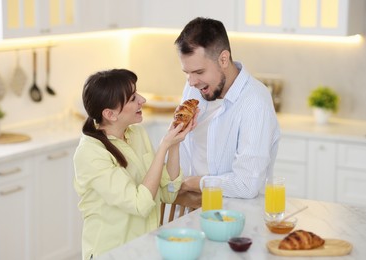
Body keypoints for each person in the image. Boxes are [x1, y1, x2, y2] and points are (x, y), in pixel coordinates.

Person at [73, 69, 194, 260]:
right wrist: (164, 146)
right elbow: (141, 205)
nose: (142, 100)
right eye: (132, 98)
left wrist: (174, 145)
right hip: (113, 253)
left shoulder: (137, 134)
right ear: (110, 114)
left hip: (146, 249)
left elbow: (168, 192)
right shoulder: (91, 153)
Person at [175, 17, 280, 199]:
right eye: (187, 73)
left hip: (237, 214)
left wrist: (195, 183)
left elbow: (246, 185)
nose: (192, 82)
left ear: (224, 59)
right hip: (191, 210)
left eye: (199, 72)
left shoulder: (255, 102)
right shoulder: (194, 88)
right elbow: (184, 149)